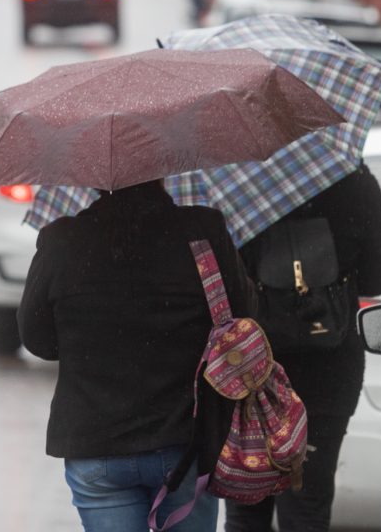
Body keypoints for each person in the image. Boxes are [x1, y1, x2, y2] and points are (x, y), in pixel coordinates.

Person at [18, 179, 254, 532]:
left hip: (96, 443)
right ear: (162, 172)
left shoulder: (61, 240)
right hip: (187, 441)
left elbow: (37, 339)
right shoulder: (202, 231)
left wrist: (85, 342)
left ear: (96, 180)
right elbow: (244, 317)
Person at [225, 163, 381, 532]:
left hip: (252, 370)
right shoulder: (349, 177)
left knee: (246, 512)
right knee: (307, 508)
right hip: (327, 372)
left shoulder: (234, 182)